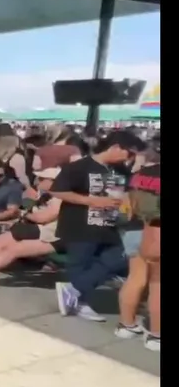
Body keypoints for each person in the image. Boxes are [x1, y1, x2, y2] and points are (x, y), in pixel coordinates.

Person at [49, 130, 146, 321]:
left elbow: (129, 192)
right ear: (115, 147)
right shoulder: (80, 167)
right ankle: (79, 303)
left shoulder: (122, 170)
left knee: (119, 257)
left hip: (110, 226)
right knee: (80, 264)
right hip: (80, 225)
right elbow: (58, 191)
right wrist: (91, 201)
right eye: (129, 153)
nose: (130, 158)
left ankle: (74, 289)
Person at [115, 138, 159, 351]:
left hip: (134, 228)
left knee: (136, 278)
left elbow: (127, 204)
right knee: (158, 284)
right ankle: (156, 336)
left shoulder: (139, 174)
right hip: (156, 232)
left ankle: (126, 325)